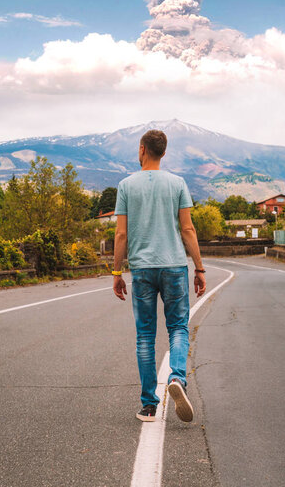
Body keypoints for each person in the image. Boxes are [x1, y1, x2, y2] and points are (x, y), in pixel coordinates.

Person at [112, 129, 206, 423]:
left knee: (145, 336)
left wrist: (117, 272)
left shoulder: (126, 185)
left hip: (141, 268)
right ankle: (177, 378)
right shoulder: (177, 183)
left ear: (142, 149)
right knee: (178, 328)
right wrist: (199, 268)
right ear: (163, 152)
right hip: (175, 266)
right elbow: (188, 230)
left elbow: (121, 233)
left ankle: (149, 405)